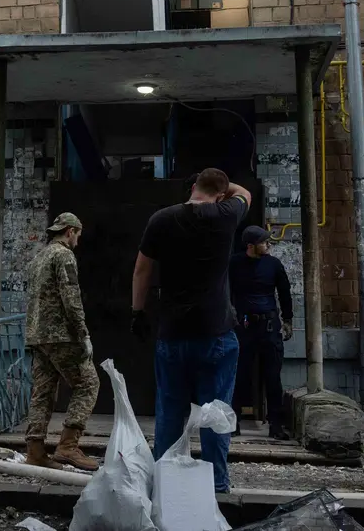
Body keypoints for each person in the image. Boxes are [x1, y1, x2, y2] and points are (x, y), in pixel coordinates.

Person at [131, 167, 251, 494]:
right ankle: (216, 485)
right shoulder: (227, 213)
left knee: (170, 412)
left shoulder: (162, 219)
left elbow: (142, 269)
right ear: (221, 191)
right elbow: (244, 194)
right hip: (215, 334)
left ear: (193, 186)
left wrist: (138, 311)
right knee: (215, 415)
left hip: (172, 334)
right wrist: (226, 189)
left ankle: (165, 485)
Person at [24, 212, 100, 472]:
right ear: (70, 231)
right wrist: (83, 334)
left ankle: (35, 450)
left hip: (38, 336)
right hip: (60, 335)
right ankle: (68, 446)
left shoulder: (39, 257)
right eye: (78, 234)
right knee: (88, 384)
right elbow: (71, 297)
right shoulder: (64, 255)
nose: (78, 240)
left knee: (42, 394)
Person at [229, 225, 293, 440]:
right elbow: (224, 291)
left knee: (273, 377)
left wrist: (288, 320)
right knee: (239, 375)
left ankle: (276, 425)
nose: (269, 244)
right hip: (244, 327)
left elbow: (284, 293)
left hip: (269, 327)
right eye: (265, 242)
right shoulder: (234, 264)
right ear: (250, 246)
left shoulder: (273, 265)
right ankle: (233, 422)